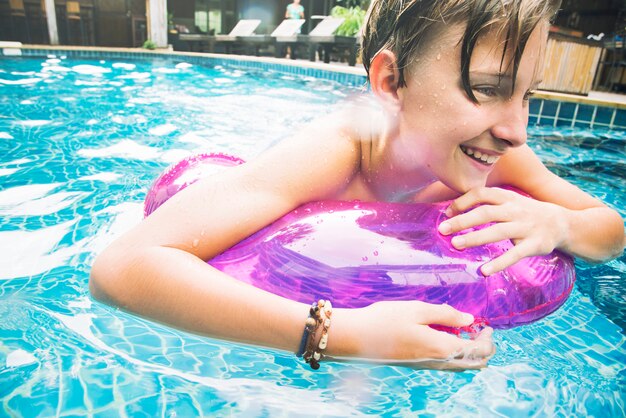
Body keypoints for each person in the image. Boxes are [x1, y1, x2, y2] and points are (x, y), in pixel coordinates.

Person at [90, 0, 625, 371]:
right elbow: (120, 269)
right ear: (391, 82)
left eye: (528, 95)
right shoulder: (334, 153)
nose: (517, 130)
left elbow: (611, 230)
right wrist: (334, 335)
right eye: (486, 89)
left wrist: (560, 223)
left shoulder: (500, 158)